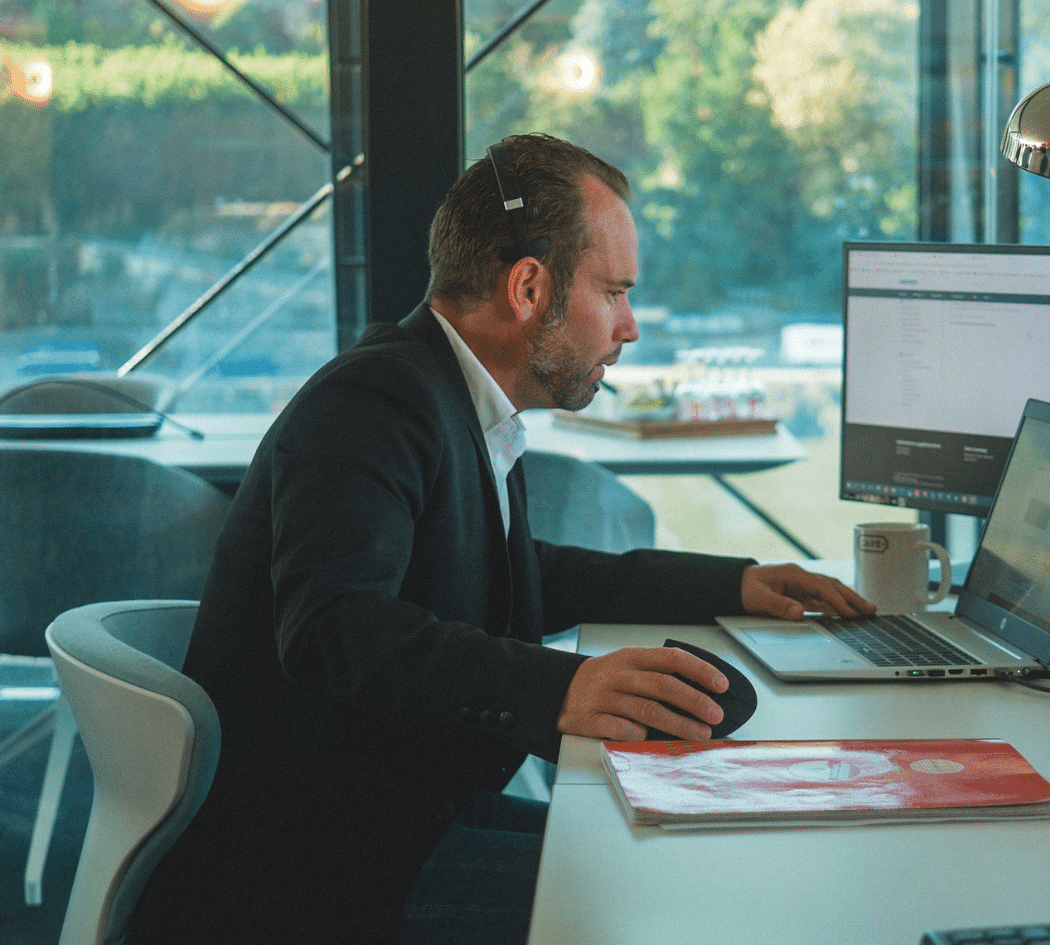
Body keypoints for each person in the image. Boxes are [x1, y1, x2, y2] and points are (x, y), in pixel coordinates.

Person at [126, 133, 872, 945]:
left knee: (681, 855)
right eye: (614, 293)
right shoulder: (373, 401)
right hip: (314, 880)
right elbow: (335, 629)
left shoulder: (452, 396)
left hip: (398, 826)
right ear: (528, 287)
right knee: (673, 899)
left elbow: (515, 573)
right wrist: (562, 689)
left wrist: (732, 584)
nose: (628, 327)